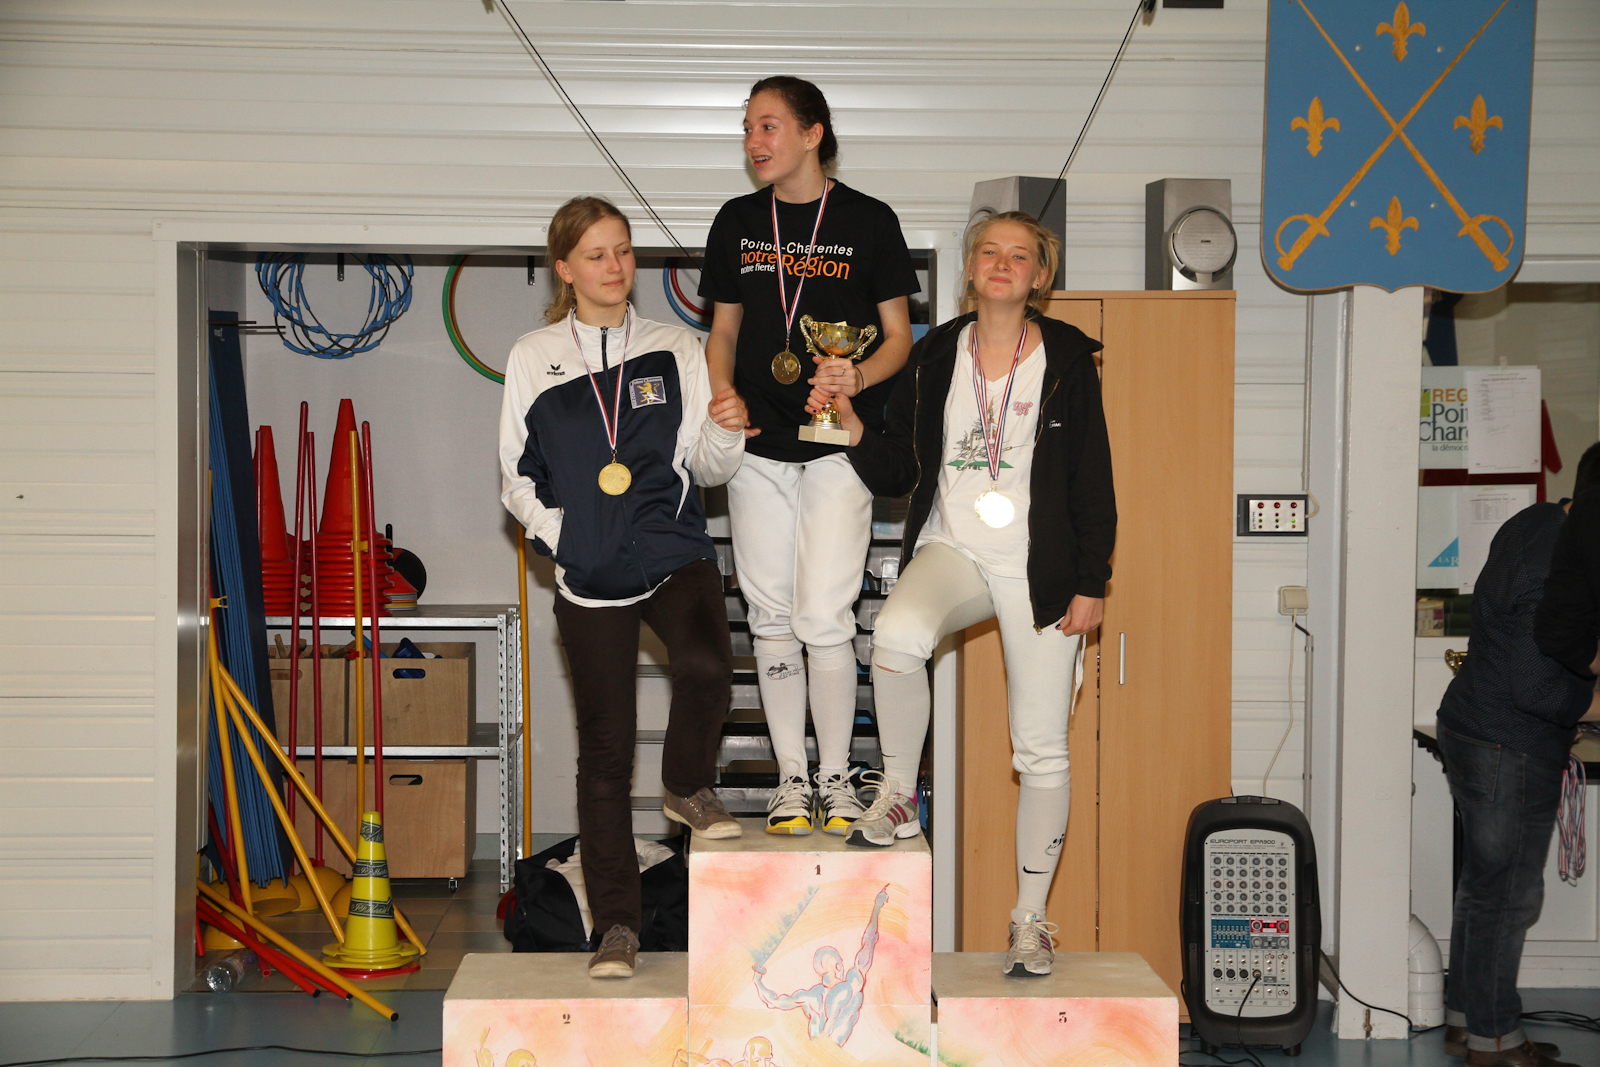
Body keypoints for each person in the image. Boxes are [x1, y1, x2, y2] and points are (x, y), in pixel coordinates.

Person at [813, 212, 1115, 978]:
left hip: (1040, 568)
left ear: (1039, 277)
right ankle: (897, 794)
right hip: (955, 548)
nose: (1002, 263)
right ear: (971, 269)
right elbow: (902, 469)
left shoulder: (1068, 359)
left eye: (1020, 255)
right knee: (895, 635)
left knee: (1040, 745)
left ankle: (1029, 921)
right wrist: (850, 426)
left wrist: (1092, 581)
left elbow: (1093, 476)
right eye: (989, 252)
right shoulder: (935, 353)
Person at [499, 196, 749, 979]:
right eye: (596, 254)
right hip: (591, 574)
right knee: (604, 754)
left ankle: (686, 784)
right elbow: (516, 476)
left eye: (623, 250)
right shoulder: (533, 356)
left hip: (673, 550)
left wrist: (726, 426)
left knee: (707, 665)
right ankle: (615, 926)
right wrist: (565, 537)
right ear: (565, 269)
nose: (615, 266)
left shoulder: (677, 347)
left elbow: (707, 466)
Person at [699, 76, 921, 836]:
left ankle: (836, 777)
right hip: (758, 446)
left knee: (825, 616)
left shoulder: (868, 220)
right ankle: (791, 779)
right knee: (769, 617)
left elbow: (900, 338)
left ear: (812, 133)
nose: (754, 141)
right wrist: (722, 394)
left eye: (768, 126)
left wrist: (856, 376)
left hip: (835, 444)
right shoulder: (737, 221)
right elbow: (723, 330)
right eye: (748, 128)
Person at [1435, 443, 1600, 1067]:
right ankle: (1496, 1041)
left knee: (1484, 889)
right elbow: (1535, 688)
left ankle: (1465, 1020)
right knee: (1508, 897)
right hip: (1509, 745)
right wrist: (1591, 703)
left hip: (1474, 727)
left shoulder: (1538, 519)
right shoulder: (1555, 559)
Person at [752, 886, 890, 1045]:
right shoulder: (852, 984)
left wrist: (757, 980)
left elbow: (773, 1001)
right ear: (838, 966)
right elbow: (868, 943)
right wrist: (877, 907)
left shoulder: (809, 997)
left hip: (815, 1053)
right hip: (834, 1052)